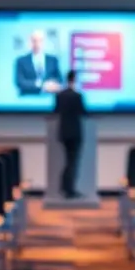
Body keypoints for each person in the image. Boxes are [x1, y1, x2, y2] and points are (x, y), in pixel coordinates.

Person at [54, 70, 87, 198]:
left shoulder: (60, 95)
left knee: (68, 161)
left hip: (63, 132)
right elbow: (83, 112)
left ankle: (65, 187)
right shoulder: (77, 96)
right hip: (75, 133)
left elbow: (55, 111)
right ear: (74, 79)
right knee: (72, 162)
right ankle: (69, 189)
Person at [14, 30, 62, 95]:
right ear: (30, 42)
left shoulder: (53, 60)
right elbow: (19, 82)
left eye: (40, 41)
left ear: (44, 42)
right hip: (28, 99)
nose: (37, 44)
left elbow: (60, 79)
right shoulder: (21, 61)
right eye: (34, 41)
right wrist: (41, 84)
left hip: (49, 98)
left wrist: (52, 84)